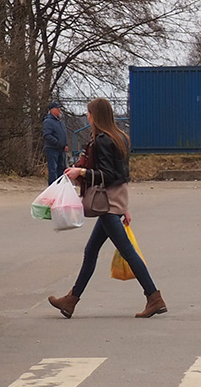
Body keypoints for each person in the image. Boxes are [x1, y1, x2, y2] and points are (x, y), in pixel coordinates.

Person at [48, 97, 166, 319]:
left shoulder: (103, 140)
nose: (87, 116)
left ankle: (154, 297)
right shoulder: (120, 137)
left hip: (108, 203)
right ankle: (71, 300)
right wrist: (124, 206)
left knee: (127, 251)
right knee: (91, 251)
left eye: (89, 113)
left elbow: (109, 176)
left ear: (96, 116)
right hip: (115, 202)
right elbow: (121, 176)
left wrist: (81, 173)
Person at [42, 100, 69, 184]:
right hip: (52, 148)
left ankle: (60, 186)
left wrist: (65, 144)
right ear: (52, 110)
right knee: (53, 169)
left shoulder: (60, 122)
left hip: (61, 149)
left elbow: (64, 134)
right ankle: (53, 187)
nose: (59, 110)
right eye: (57, 108)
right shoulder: (48, 121)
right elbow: (47, 135)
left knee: (61, 168)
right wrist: (57, 143)